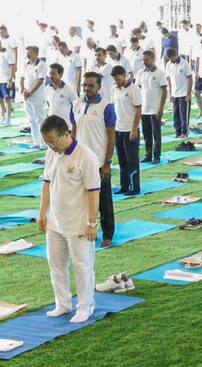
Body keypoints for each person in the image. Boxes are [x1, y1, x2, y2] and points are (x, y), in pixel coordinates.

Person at [39, 115, 100, 324]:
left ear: (66, 134)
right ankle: (62, 303)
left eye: (53, 142)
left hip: (79, 223)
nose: (51, 147)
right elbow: (46, 183)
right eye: (47, 143)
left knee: (82, 265)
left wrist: (92, 223)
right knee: (56, 264)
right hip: (55, 221)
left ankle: (85, 306)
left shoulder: (86, 156)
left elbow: (94, 192)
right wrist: (42, 213)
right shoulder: (51, 153)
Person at [70, 72, 116, 247]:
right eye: (85, 85)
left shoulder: (106, 106)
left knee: (104, 201)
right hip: (79, 161)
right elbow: (74, 132)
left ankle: (107, 235)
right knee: (79, 199)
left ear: (99, 87)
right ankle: (83, 230)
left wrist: (107, 162)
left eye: (91, 85)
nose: (87, 88)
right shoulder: (76, 105)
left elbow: (111, 135)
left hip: (98, 162)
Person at [111, 65, 142, 195]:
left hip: (130, 129)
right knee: (122, 160)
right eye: (115, 79)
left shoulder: (133, 89)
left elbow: (138, 110)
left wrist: (134, 129)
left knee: (132, 160)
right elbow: (114, 108)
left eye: (119, 79)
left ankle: (135, 187)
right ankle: (124, 186)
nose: (117, 82)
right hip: (119, 128)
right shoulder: (114, 89)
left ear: (125, 75)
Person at [136, 50, 167, 164]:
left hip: (155, 108)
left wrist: (161, 108)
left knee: (156, 134)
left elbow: (164, 91)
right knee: (146, 133)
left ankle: (156, 156)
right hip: (144, 109)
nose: (144, 62)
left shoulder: (160, 73)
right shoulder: (140, 73)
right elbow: (138, 90)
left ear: (153, 59)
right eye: (143, 60)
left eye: (146, 59)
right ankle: (148, 154)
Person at [20, 46, 47, 148]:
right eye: (27, 53)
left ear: (35, 53)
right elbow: (22, 78)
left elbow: (40, 81)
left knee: (39, 119)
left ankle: (44, 142)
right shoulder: (26, 64)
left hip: (37, 96)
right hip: (26, 96)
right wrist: (23, 90)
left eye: (29, 53)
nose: (27, 54)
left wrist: (30, 92)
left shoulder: (42, 65)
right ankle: (36, 142)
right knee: (31, 119)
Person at [165, 48, 192, 139]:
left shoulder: (185, 64)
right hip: (174, 93)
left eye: (172, 57)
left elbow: (190, 79)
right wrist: (170, 93)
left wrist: (188, 94)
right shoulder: (168, 64)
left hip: (184, 93)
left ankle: (185, 132)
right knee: (175, 114)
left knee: (183, 114)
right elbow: (168, 79)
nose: (171, 60)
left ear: (175, 55)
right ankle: (177, 132)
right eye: (169, 58)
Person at [45, 63, 78, 128]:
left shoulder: (69, 89)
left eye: (53, 73)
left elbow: (77, 106)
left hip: (66, 125)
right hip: (52, 125)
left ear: (61, 74)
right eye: (50, 73)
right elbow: (49, 103)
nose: (51, 76)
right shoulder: (47, 89)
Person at [0, 41, 16, 126]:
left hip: (6, 80)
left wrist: (10, 80)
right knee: (0, 100)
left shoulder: (7, 53)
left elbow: (12, 66)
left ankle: (8, 119)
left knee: (7, 99)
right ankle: (2, 116)